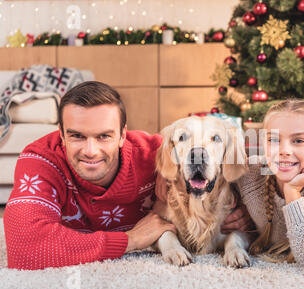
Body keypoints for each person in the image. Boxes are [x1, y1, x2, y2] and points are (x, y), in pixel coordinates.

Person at [3, 81, 251, 270]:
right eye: (77, 135)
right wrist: (130, 240)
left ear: (123, 135)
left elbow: (241, 161)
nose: (91, 151)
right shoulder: (40, 160)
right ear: (61, 134)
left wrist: (241, 212)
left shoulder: (160, 153)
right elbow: (24, 249)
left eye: (104, 136)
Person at [236, 99, 304, 267]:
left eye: (298, 141)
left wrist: (292, 192)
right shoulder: (251, 172)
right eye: (273, 140)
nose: (285, 151)